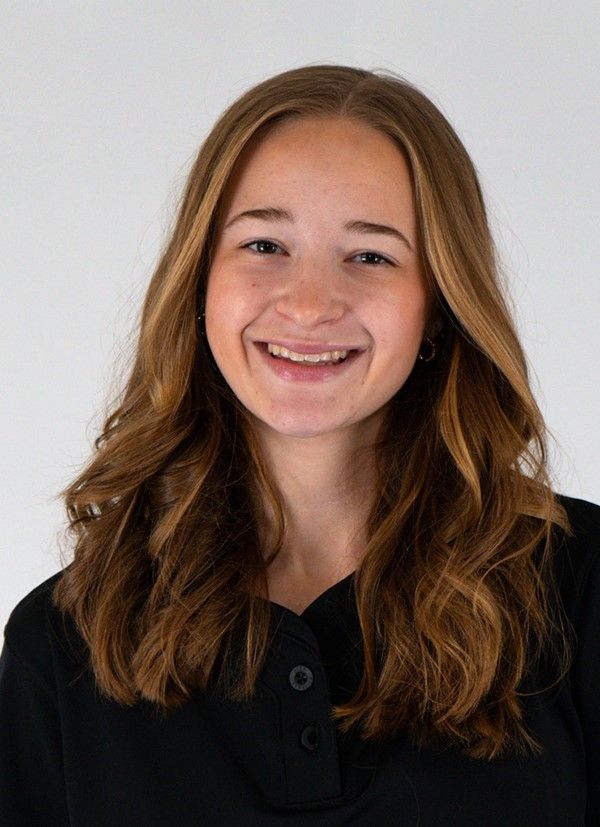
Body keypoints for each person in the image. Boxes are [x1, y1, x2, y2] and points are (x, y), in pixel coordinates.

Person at [1, 63, 598, 826]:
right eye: (264, 244)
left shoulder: (581, 591)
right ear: (200, 283)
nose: (311, 303)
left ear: (440, 306)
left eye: (371, 255)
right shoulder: (65, 641)